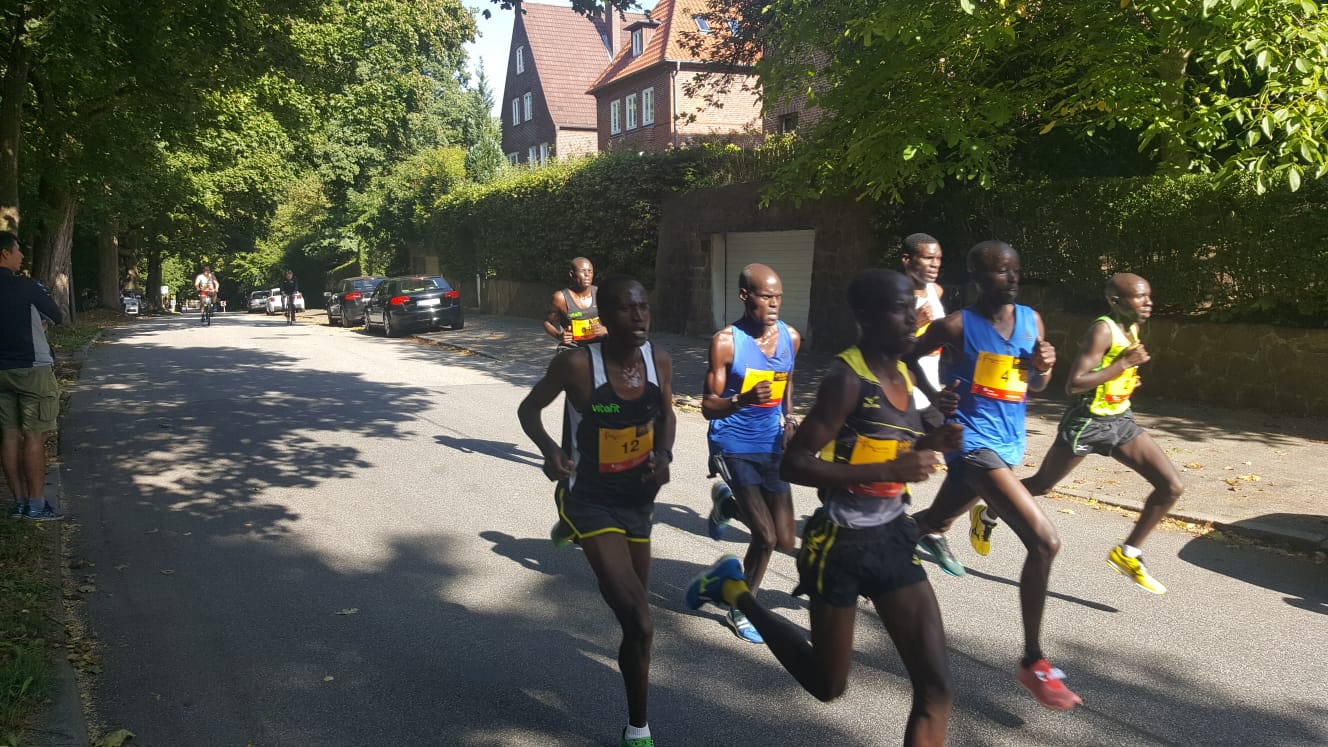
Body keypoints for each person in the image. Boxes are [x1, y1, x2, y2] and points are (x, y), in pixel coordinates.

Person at [687, 269, 961, 747]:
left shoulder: (901, 372)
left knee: (936, 689)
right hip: (840, 546)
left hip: (893, 538)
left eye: (912, 309)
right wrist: (890, 468)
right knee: (826, 684)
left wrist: (933, 439)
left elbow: (889, 442)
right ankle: (734, 591)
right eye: (899, 309)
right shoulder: (846, 378)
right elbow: (796, 463)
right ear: (866, 316)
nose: (911, 319)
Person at [905, 240, 1082, 710]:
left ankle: (867, 553)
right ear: (978, 278)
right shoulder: (956, 325)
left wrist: (1043, 368)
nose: (1013, 278)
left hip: (1009, 445)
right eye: (1002, 271)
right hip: (972, 444)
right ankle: (1033, 661)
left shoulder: (1032, 320)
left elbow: (1035, 384)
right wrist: (936, 398)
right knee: (1045, 542)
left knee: (933, 521)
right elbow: (907, 357)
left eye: (1016, 270)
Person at [517, 275, 676, 747]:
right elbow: (529, 410)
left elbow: (666, 414)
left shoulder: (659, 361)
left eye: (644, 306)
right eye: (627, 308)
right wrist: (550, 450)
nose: (639, 316)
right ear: (605, 316)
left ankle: (635, 714)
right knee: (642, 622)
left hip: (638, 501)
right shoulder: (576, 364)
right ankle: (639, 731)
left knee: (634, 623)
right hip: (590, 499)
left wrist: (664, 455)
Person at [1019, 273, 1184, 594]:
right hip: (1087, 423)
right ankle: (992, 503)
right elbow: (1074, 384)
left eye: (1149, 296)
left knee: (1171, 486)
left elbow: (1111, 372)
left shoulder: (1131, 326)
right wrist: (1124, 364)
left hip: (1120, 421)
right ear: (1115, 301)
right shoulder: (1102, 330)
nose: (1148, 303)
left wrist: (1127, 378)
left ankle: (1128, 553)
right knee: (1042, 485)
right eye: (1140, 297)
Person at [700, 263, 802, 644]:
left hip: (771, 442)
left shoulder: (791, 337)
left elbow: (787, 379)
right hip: (733, 443)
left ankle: (727, 506)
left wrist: (790, 418)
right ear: (745, 296)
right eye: (766, 297)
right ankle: (742, 607)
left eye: (778, 298)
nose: (774, 304)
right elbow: (708, 405)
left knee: (786, 538)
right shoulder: (726, 342)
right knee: (766, 536)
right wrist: (740, 400)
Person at [0, 233, 65, 521]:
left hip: (1, 372)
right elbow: (57, 316)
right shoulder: (26, 286)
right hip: (32, 369)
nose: (22, 255)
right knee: (35, 436)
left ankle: (19, 503)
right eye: (17, 250)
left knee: (9, 435)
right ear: (4, 253)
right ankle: (37, 505)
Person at [901, 233, 946, 429]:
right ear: (906, 260)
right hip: (902, 392)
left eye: (938, 258)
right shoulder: (894, 296)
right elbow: (876, 347)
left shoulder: (936, 291)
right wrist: (913, 325)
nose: (935, 264)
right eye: (928, 258)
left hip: (930, 388)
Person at [543, 257, 607, 351]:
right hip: (573, 346)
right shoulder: (560, 298)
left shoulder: (600, 293)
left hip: (599, 344)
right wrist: (559, 335)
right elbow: (547, 323)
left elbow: (616, 320)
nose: (587, 274)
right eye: (583, 271)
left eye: (590, 271)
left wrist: (605, 330)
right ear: (572, 274)